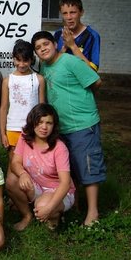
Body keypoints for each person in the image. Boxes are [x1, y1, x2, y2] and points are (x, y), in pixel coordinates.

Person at [31, 31, 106, 226]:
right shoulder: (45, 68)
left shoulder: (70, 62)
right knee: (70, 168)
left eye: (46, 44)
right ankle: (76, 206)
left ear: (55, 44)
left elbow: (96, 81)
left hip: (82, 123)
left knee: (88, 167)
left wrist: (72, 48)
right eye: (38, 48)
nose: (43, 49)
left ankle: (93, 213)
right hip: (60, 127)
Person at [6, 103, 75, 231]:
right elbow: (15, 162)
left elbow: (65, 183)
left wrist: (49, 208)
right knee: (11, 180)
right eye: (40, 122)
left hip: (58, 190)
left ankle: (54, 219)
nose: (44, 127)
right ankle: (27, 216)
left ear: (54, 126)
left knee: (43, 205)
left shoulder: (59, 148)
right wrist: (23, 174)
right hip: (37, 186)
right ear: (33, 122)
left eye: (49, 123)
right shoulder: (25, 137)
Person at [0, 40, 45, 173]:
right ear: (13, 59)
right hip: (13, 128)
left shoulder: (39, 79)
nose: (21, 64)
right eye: (18, 60)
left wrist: (41, 127)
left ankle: (32, 192)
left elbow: (42, 107)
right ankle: (12, 191)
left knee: (33, 164)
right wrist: (2, 133)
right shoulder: (8, 80)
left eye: (25, 60)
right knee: (14, 165)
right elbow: (3, 108)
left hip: (33, 128)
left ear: (32, 60)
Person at [54, 0, 101, 71]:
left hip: (80, 82)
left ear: (81, 12)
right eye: (65, 13)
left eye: (73, 12)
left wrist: (72, 45)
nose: (69, 17)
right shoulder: (58, 34)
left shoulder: (92, 36)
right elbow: (54, 65)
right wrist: (64, 47)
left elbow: (93, 71)